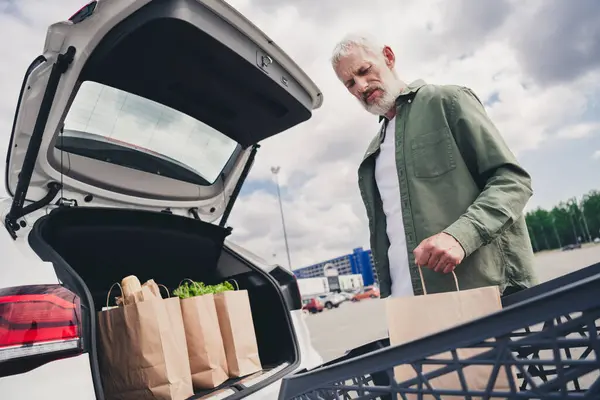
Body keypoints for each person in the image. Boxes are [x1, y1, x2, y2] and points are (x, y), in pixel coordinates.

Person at [330, 34, 538, 298]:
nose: (360, 86)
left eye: (364, 70)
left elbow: (512, 181)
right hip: (408, 305)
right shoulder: (373, 152)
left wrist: (460, 237)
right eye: (350, 83)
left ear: (389, 57)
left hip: (479, 295)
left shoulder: (447, 101)